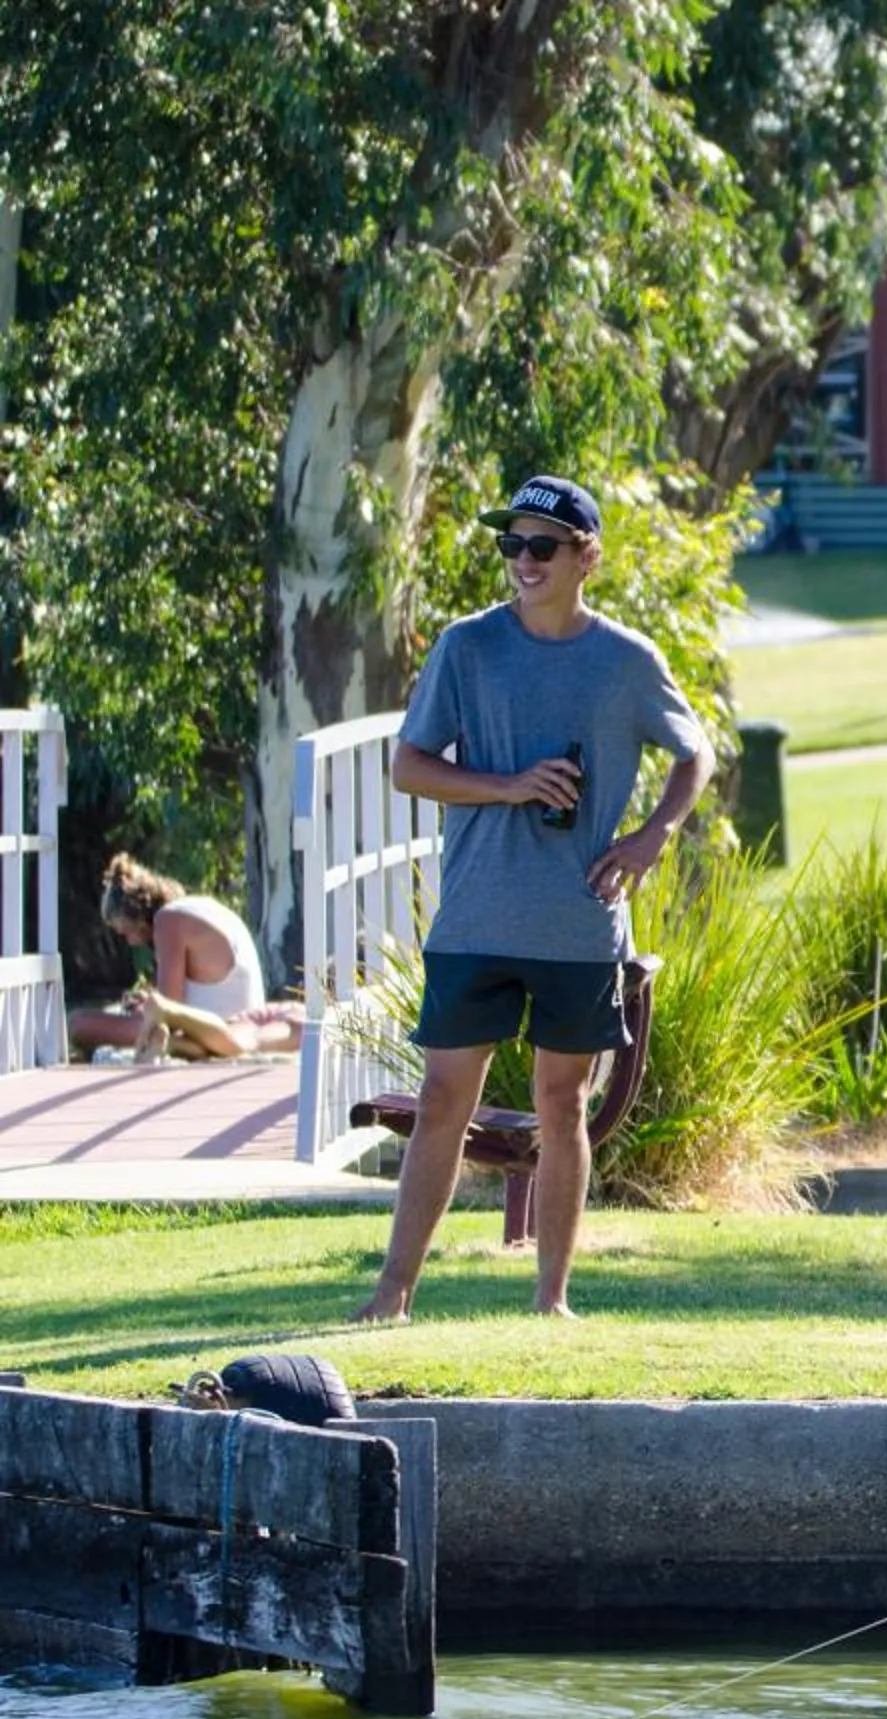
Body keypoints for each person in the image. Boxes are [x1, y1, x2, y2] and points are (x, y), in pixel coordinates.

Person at [353, 475, 710, 1324]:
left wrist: (654, 833)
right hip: (476, 918)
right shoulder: (467, 648)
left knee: (562, 1104)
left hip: (580, 925)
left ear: (586, 557)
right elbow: (408, 766)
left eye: (540, 547)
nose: (521, 561)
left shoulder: (627, 662)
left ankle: (551, 1301)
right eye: (511, 545)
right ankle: (391, 1294)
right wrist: (511, 785)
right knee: (444, 1098)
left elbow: (694, 752)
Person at [69, 853, 305, 1059]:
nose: (130, 942)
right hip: (240, 1019)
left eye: (126, 932)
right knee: (120, 1013)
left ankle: (182, 1045)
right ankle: (183, 1044)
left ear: (137, 914)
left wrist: (152, 1009)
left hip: (219, 1025)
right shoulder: (197, 908)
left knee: (78, 1023)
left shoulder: (167, 921)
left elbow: (169, 1008)